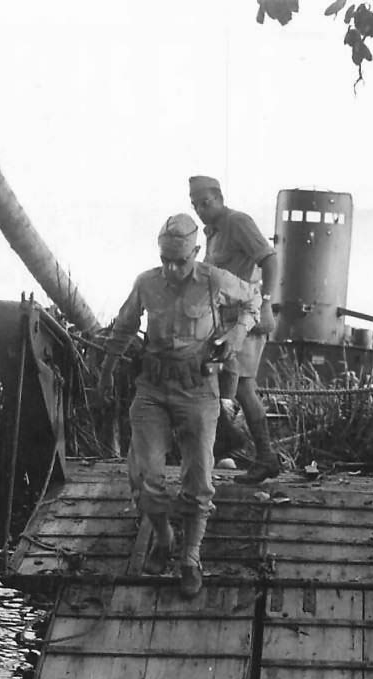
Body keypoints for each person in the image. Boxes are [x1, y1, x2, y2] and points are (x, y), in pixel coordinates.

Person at [98, 214, 260, 597]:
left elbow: (253, 300)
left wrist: (236, 335)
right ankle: (163, 536)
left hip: (198, 388)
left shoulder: (215, 280)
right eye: (165, 260)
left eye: (180, 261)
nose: (172, 268)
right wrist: (105, 373)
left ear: (196, 252)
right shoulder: (146, 283)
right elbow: (123, 328)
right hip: (152, 388)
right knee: (144, 476)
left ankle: (191, 556)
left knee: (199, 478)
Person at [189, 175, 281, 484]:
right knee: (224, 383)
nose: (200, 209)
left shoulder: (238, 222)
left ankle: (258, 454)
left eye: (205, 202)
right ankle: (236, 448)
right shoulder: (213, 234)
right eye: (195, 205)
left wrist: (265, 303)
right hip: (223, 322)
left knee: (240, 386)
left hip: (245, 319)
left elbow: (270, 260)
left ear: (219, 198)